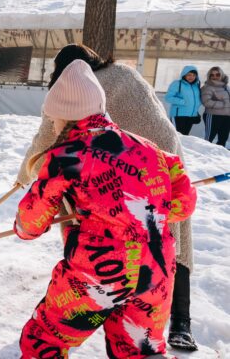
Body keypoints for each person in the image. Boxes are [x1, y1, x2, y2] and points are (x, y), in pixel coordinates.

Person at [16, 44, 199, 351]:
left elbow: (32, 222)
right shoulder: (154, 151)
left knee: (43, 339)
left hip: (100, 274)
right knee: (140, 348)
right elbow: (183, 204)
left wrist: (24, 221)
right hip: (154, 276)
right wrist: (150, 205)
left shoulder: (65, 157)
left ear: (63, 117)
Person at [165, 66, 202, 136]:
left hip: (191, 116)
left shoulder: (196, 86)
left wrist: (196, 111)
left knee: (185, 137)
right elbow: (168, 97)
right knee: (176, 137)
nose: (191, 77)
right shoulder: (177, 84)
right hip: (178, 116)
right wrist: (183, 102)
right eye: (189, 75)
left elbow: (196, 100)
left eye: (194, 75)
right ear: (184, 74)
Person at [201, 66, 230, 148]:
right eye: (212, 75)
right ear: (209, 76)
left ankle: (217, 157)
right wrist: (223, 104)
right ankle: (203, 153)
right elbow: (206, 102)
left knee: (223, 138)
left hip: (226, 117)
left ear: (221, 75)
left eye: (217, 74)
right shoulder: (207, 87)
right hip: (213, 116)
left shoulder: (226, 87)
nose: (215, 77)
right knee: (209, 138)